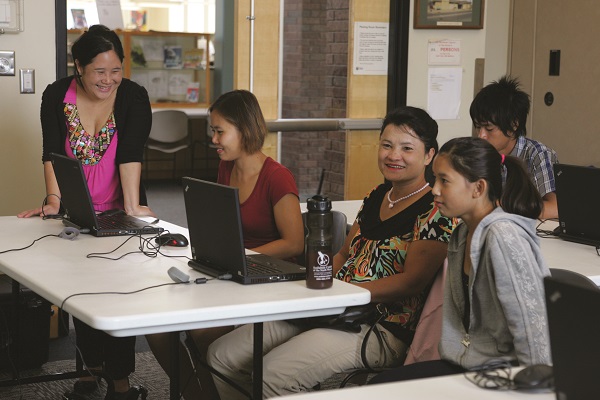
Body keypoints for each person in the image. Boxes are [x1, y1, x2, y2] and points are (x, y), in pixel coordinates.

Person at [205, 106, 457, 399]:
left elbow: (412, 282)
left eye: (406, 148)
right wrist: (316, 287)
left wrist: (348, 292)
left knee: (272, 375)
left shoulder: (435, 210)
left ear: (429, 155)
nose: (393, 155)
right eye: (386, 145)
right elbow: (343, 254)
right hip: (332, 304)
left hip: (379, 326)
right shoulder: (377, 195)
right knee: (221, 356)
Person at [17, 25, 153, 399]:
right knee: (80, 293)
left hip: (116, 209)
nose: (108, 80)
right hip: (75, 212)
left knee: (120, 294)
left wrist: (130, 209)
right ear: (79, 66)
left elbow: (130, 155)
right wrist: (53, 202)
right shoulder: (56, 95)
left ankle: (121, 381)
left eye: (115, 70)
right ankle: (90, 372)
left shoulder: (134, 97)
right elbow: (51, 153)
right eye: (99, 72)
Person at [146, 89, 304, 399]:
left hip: (263, 276)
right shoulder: (227, 169)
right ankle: (198, 394)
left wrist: (240, 256)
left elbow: (294, 243)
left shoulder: (277, 177)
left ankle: (215, 393)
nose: (214, 139)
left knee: (202, 331)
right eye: (213, 131)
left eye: (220, 131)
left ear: (244, 130)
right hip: (232, 271)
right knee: (155, 329)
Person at [369, 136, 551, 385]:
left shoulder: (502, 235)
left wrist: (539, 386)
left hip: (506, 372)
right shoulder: (462, 234)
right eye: (436, 179)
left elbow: (533, 322)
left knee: (383, 388)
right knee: (381, 386)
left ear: (478, 188)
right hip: (468, 363)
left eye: (445, 181)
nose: (435, 190)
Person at [470, 76, 559, 219]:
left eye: (489, 128)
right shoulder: (477, 154)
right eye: (478, 127)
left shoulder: (537, 154)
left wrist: (501, 207)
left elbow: (555, 208)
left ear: (513, 125)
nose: (481, 135)